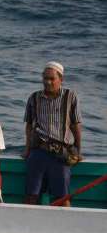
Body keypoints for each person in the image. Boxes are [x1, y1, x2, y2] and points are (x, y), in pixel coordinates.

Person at [22, 61, 82, 207]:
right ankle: (28, 225)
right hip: (39, 151)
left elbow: (75, 126)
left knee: (62, 197)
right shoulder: (34, 98)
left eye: (52, 79)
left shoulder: (70, 96)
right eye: (45, 78)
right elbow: (29, 125)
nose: (48, 82)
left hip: (61, 154)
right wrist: (28, 149)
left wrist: (78, 150)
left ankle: (65, 226)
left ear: (61, 79)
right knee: (31, 195)